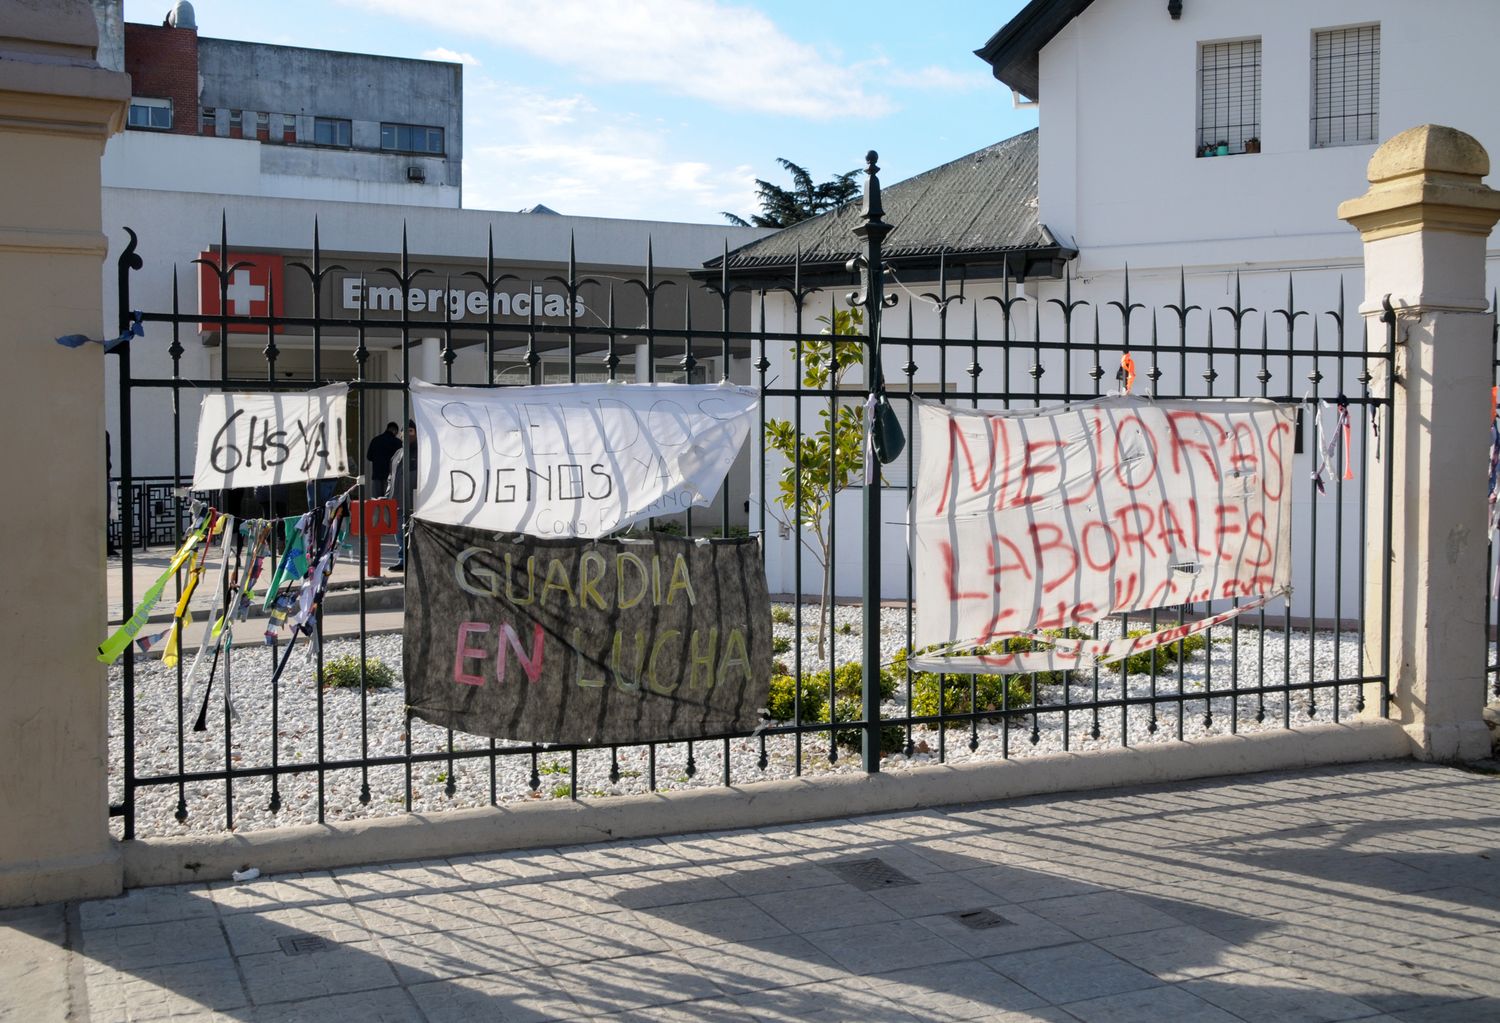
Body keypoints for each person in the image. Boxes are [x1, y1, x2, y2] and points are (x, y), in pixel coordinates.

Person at [390, 420, 417, 572]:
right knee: (399, 533)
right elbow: (391, 477)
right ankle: (403, 560)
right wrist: (388, 495)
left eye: (411, 431)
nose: (407, 435)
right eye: (404, 432)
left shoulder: (420, 452)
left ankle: (412, 560)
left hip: (414, 502)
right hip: (398, 501)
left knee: (411, 533)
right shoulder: (397, 454)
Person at [366, 421, 402, 498]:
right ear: (395, 431)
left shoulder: (375, 440)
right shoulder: (398, 443)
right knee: (388, 501)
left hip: (376, 475)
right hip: (390, 477)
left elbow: (369, 457)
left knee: (375, 502)